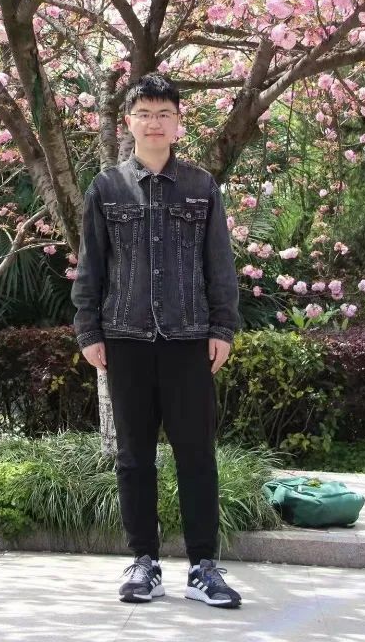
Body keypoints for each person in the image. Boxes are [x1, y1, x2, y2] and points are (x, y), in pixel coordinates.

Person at [71, 73, 242, 609]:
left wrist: (223, 328)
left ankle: (203, 567)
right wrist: (88, 330)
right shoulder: (106, 188)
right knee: (133, 457)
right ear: (129, 121)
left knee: (197, 455)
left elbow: (219, 263)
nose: (154, 123)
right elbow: (92, 266)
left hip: (189, 339)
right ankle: (143, 562)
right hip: (124, 338)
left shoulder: (201, 186)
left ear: (178, 122)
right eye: (144, 113)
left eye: (164, 114)